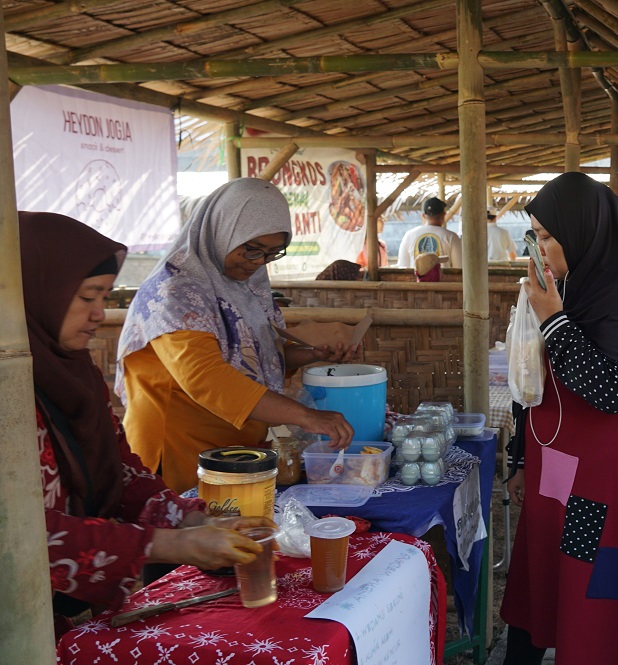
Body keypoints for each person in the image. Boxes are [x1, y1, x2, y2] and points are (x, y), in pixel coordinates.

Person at [20, 211, 274, 638]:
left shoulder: (75, 375)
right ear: (37, 292)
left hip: (60, 613)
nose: (99, 313)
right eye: (87, 297)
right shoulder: (11, 397)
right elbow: (19, 532)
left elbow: (120, 470)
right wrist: (170, 544)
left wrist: (194, 521)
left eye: (104, 297)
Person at [500, 172, 618, 665]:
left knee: (597, 576)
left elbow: (613, 391)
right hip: (564, 461)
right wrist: (520, 458)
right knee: (548, 563)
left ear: (582, 231)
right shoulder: (567, 283)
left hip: (608, 471)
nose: (539, 249)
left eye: (547, 237)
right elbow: (532, 380)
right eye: (535, 236)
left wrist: (553, 318)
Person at [117, 178, 356, 494]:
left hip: (233, 451)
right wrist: (305, 416)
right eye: (251, 249)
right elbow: (206, 378)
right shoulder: (175, 291)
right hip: (178, 454)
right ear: (222, 230)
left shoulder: (245, 286)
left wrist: (312, 354)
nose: (258, 262)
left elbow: (257, 358)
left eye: (271, 253)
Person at [395, 196, 462, 269]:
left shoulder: (409, 235)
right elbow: (458, 268)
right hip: (442, 277)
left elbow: (403, 266)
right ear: (443, 215)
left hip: (415, 277)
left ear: (423, 216)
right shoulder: (451, 237)